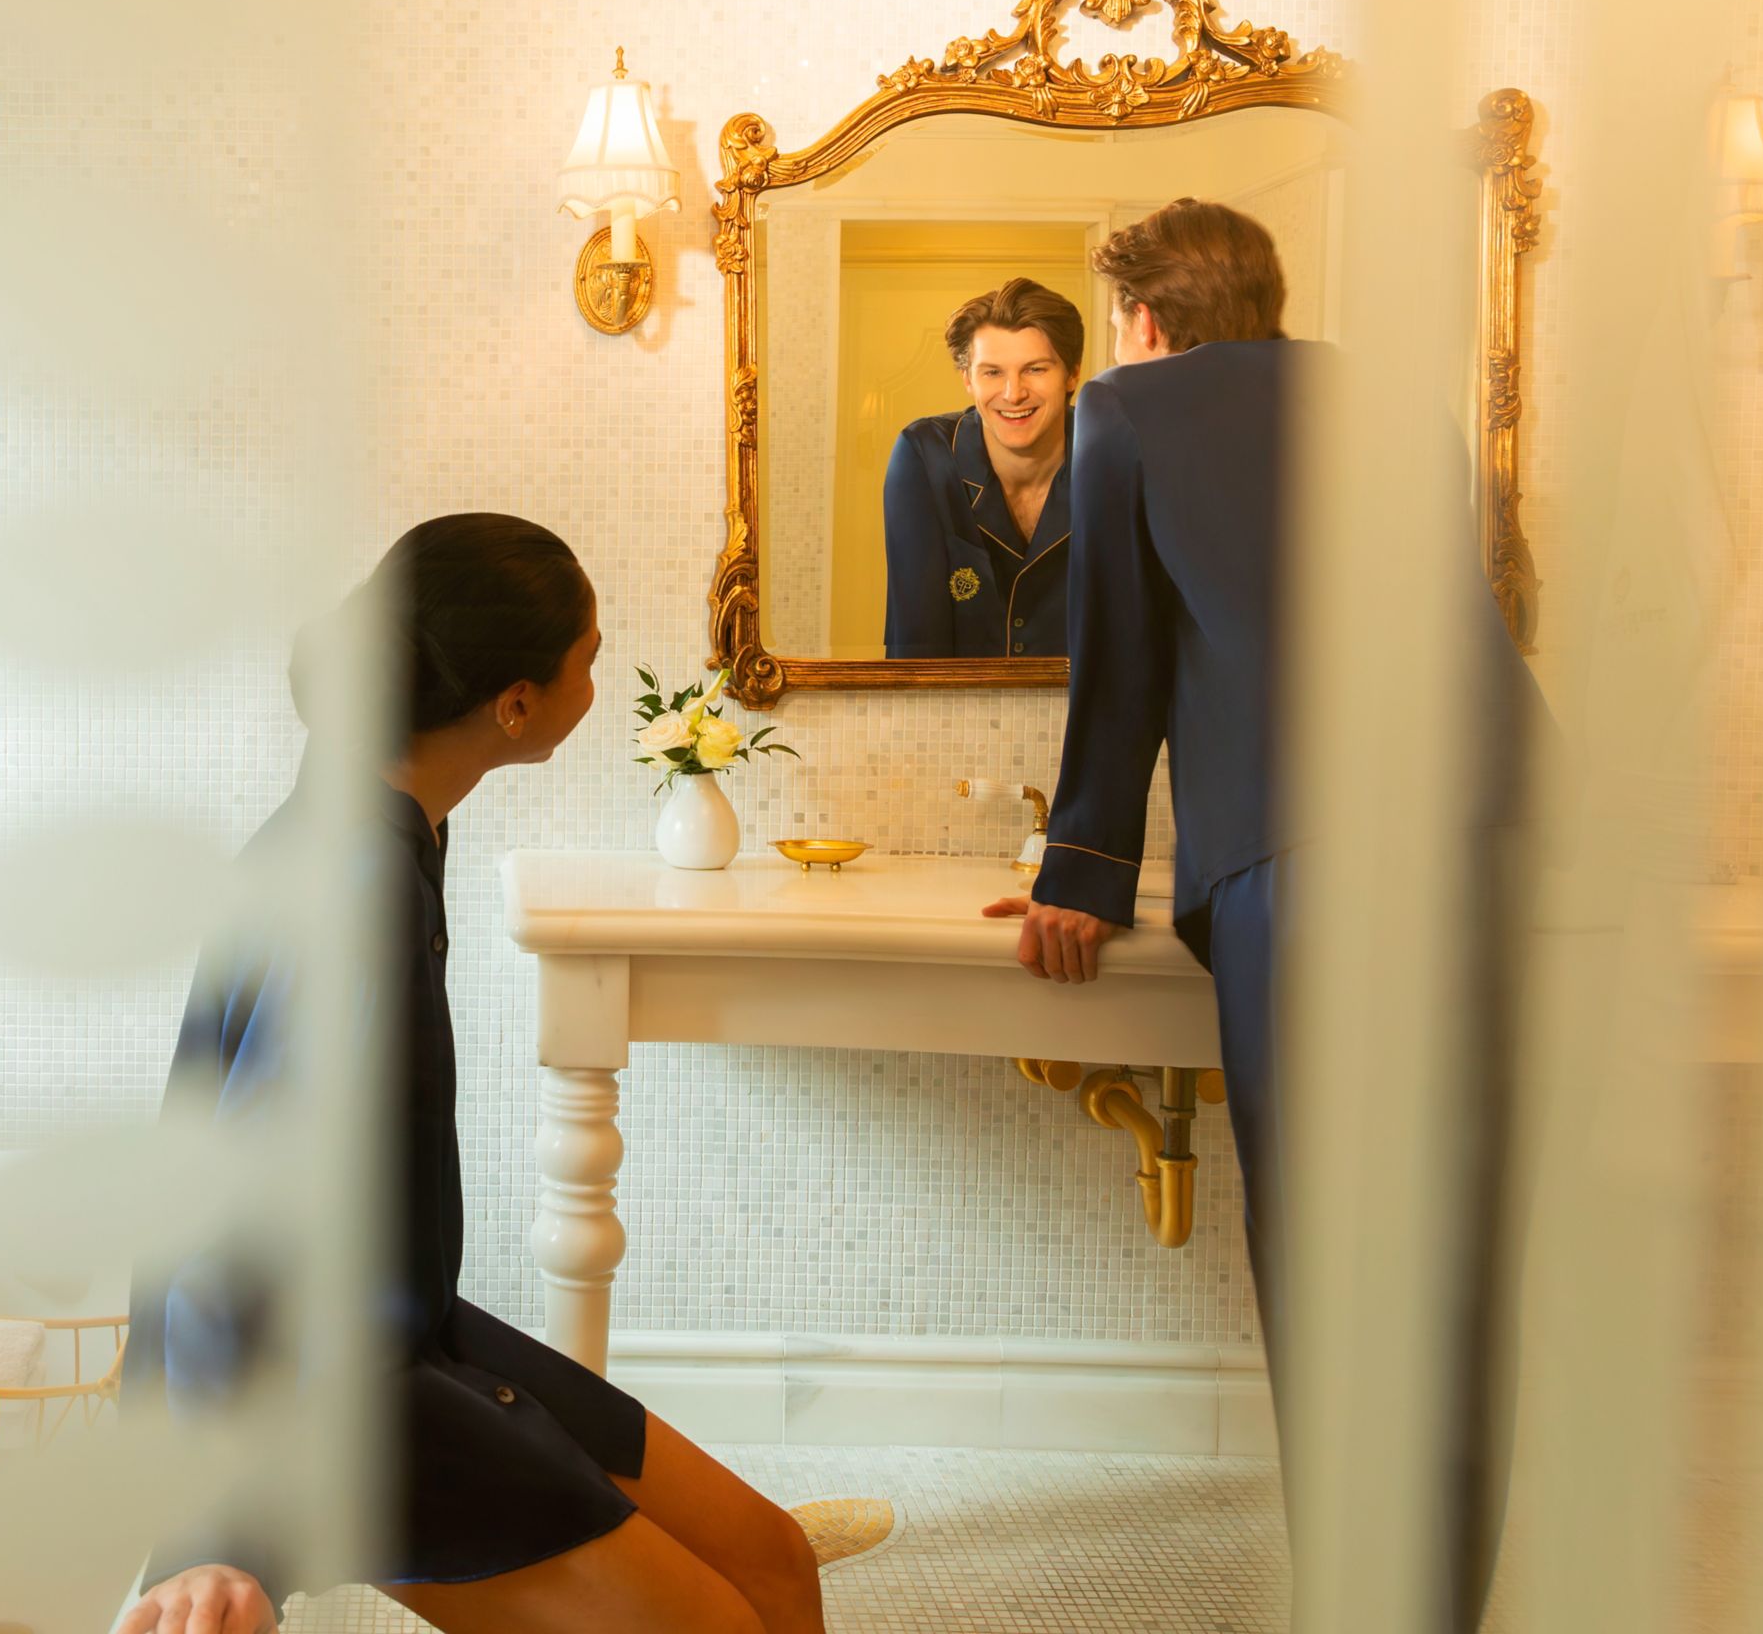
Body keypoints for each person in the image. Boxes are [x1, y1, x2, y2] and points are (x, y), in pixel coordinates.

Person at [121, 514, 823, 1634]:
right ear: (516, 704)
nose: (597, 678)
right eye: (588, 659)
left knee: (775, 1563)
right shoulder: (353, 879)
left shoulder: (386, 816)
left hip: (408, 1331)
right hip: (331, 1401)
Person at [984, 199, 1523, 1630]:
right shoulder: (1391, 397)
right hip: (1490, 837)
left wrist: (1078, 873)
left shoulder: (1128, 410)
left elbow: (1121, 660)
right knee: (1459, 1250)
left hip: (1314, 852)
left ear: (1145, 320)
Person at [879, 278, 1086, 659]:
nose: (1013, 393)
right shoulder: (924, 457)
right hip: (956, 699)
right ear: (967, 379)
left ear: (1071, 374)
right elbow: (914, 644)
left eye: (1035, 369)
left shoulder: (1110, 455)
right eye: (992, 372)